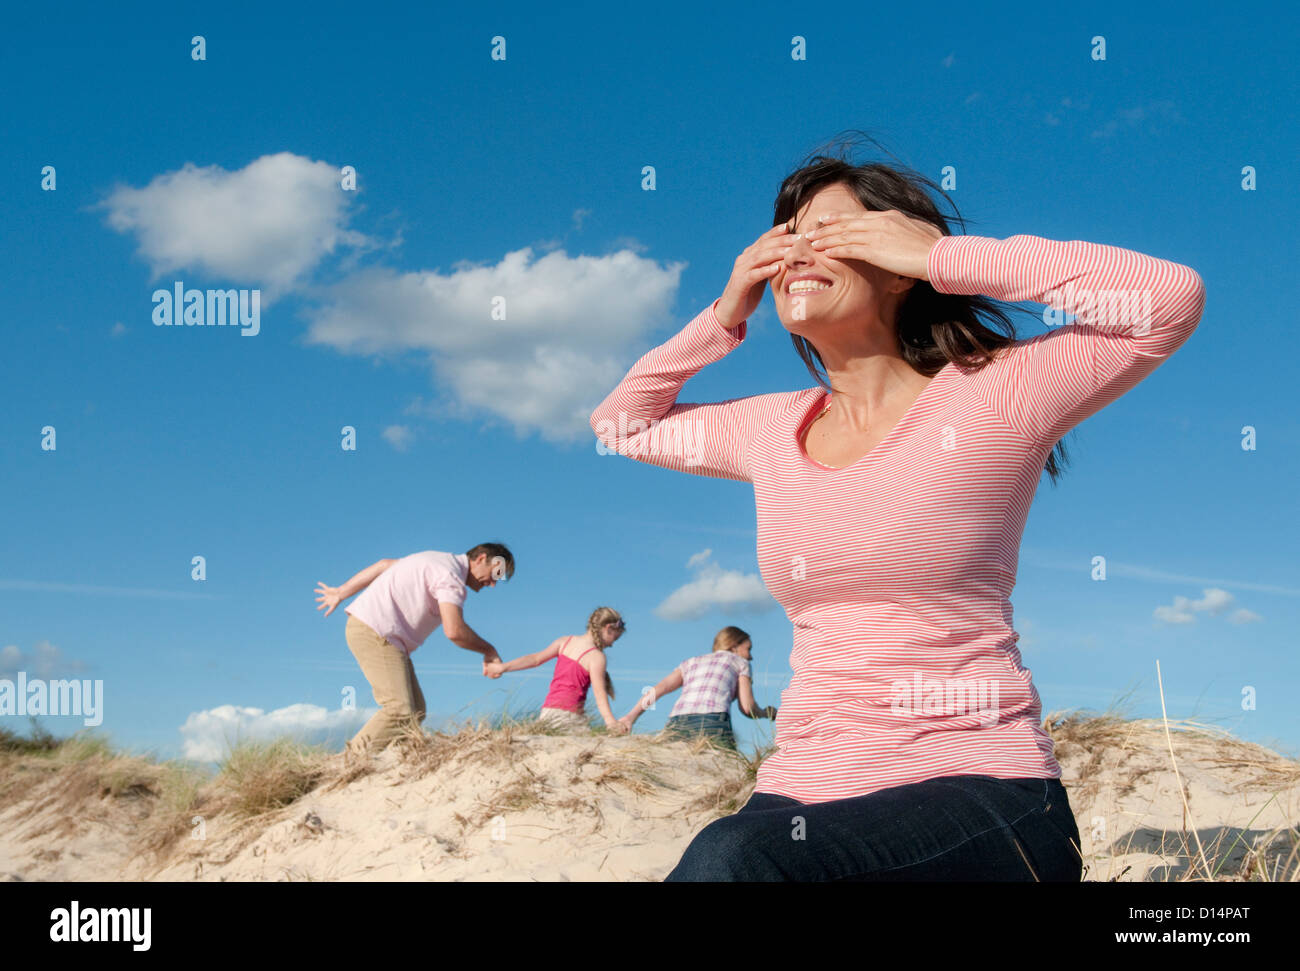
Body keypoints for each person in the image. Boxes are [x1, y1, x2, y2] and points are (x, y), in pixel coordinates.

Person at [589, 133, 1206, 881]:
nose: (796, 253)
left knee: (732, 860)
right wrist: (724, 314)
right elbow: (622, 423)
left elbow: (1168, 300)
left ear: (895, 266)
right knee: (725, 856)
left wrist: (941, 255)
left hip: (986, 791)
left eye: (830, 232)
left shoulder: (993, 392)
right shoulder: (768, 427)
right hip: (800, 794)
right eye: (786, 237)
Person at [314, 543, 514, 756]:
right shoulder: (450, 578)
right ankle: (347, 762)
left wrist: (341, 592)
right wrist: (488, 649)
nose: (493, 584)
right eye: (496, 574)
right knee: (399, 710)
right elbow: (454, 631)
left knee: (415, 711)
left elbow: (384, 565)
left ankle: (392, 764)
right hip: (377, 633)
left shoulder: (435, 559)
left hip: (379, 634)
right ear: (481, 558)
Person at [618, 626, 776, 750]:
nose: (751, 656)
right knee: (730, 770)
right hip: (712, 720)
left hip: (677, 721)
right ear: (734, 647)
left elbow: (659, 688)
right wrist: (765, 713)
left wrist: (630, 717)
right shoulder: (740, 662)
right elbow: (748, 708)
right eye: (748, 649)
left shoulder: (691, 662)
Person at [484, 607, 628, 735]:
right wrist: (610, 722)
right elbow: (599, 694)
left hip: (548, 714)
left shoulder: (565, 641)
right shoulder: (596, 657)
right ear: (608, 628)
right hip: (570, 718)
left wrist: (502, 667)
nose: (612, 644)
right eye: (614, 638)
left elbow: (535, 659)